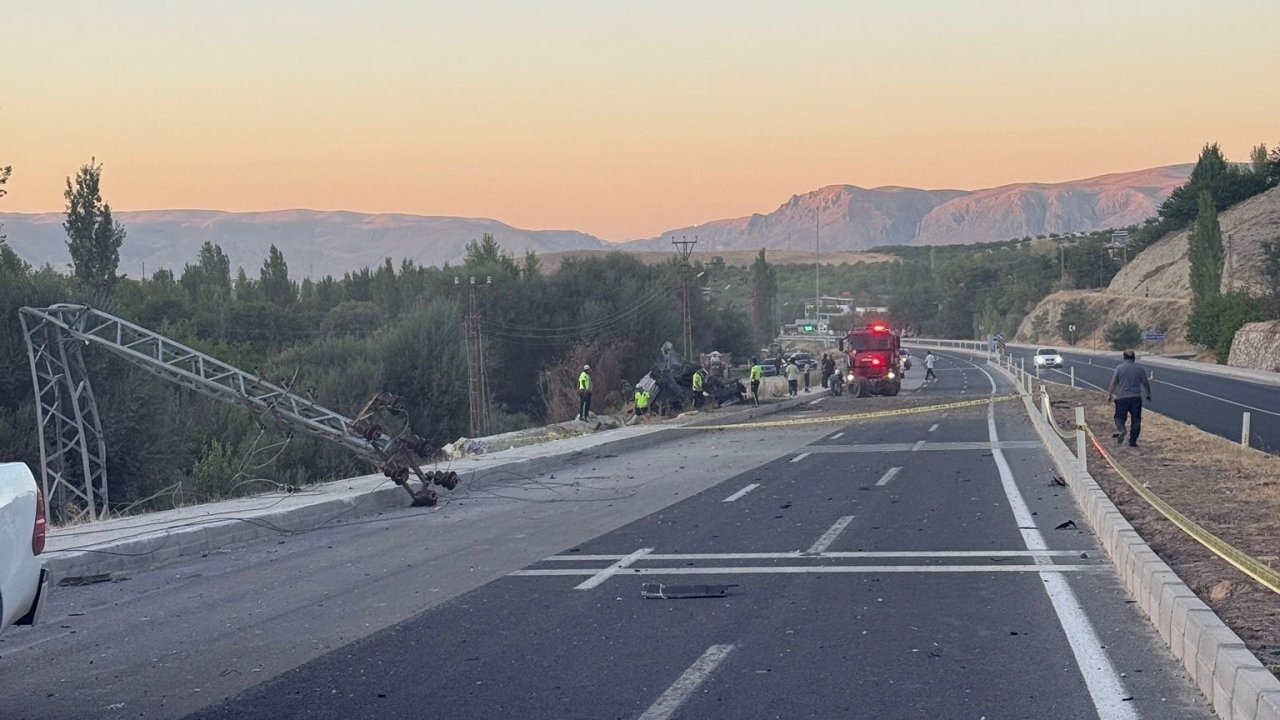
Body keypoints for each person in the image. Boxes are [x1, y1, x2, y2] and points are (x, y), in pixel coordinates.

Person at [1107, 349, 1152, 447]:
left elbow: (1114, 382)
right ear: (1134, 358)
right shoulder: (1140, 369)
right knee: (1136, 420)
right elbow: (1145, 383)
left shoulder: (1119, 368)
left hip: (1122, 398)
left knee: (1118, 417)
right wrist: (1148, 394)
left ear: (1124, 358)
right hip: (1136, 398)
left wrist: (1109, 395)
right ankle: (1133, 441)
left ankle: (1122, 430)